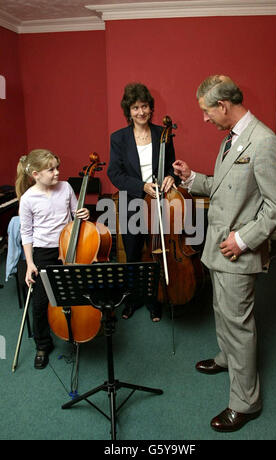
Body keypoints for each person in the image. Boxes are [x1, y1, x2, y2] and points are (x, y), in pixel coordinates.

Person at [173, 75, 276, 432]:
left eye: (207, 112)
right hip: (217, 249)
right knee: (222, 311)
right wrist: (193, 178)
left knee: (239, 324)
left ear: (222, 106)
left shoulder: (264, 142)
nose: (205, 119)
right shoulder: (232, 139)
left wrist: (243, 240)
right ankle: (227, 358)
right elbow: (224, 188)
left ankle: (246, 402)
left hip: (238, 252)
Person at [107, 82, 176, 322]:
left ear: (150, 108)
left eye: (144, 106)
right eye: (135, 107)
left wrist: (170, 176)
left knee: (157, 253)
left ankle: (154, 300)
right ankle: (133, 299)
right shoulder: (118, 138)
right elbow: (114, 174)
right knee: (134, 254)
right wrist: (141, 186)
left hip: (159, 202)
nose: (141, 112)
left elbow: (171, 167)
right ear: (129, 111)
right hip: (132, 203)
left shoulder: (162, 134)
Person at [16, 149, 89, 369]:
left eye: (57, 167)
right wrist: (30, 263)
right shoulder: (28, 198)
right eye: (51, 170)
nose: (57, 172)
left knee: (76, 292)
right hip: (43, 252)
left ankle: (76, 330)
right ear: (36, 174)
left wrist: (82, 213)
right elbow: (26, 233)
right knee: (40, 302)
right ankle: (42, 345)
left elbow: (76, 213)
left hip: (68, 246)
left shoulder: (65, 187)